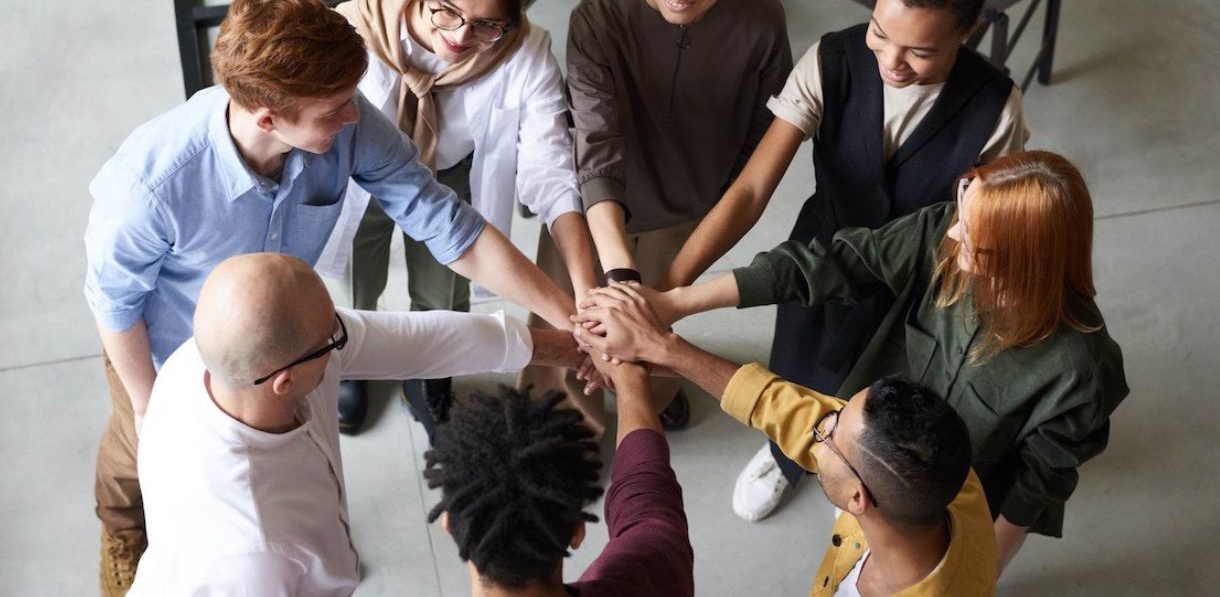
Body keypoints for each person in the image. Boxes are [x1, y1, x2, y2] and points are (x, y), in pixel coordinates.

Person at [83, 0, 576, 594]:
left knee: (290, 480)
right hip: (163, 350)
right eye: (335, 110)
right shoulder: (151, 184)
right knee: (135, 468)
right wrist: (148, 408)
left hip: (289, 336)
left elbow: (445, 223)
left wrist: (567, 318)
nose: (354, 117)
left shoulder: (341, 116)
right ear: (268, 117)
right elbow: (113, 303)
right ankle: (123, 535)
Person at [657, 0, 1029, 521]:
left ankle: (860, 470)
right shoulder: (831, 60)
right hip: (819, 256)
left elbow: (987, 228)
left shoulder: (996, 107)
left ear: (966, 32)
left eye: (921, 50)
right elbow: (749, 191)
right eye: (881, 34)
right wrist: (669, 292)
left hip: (918, 280)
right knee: (800, 364)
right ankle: (785, 453)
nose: (891, 61)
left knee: (888, 395)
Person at [580, 151, 1129, 575]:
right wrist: (674, 304)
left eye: (977, 244)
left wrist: (978, 570)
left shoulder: (1081, 370)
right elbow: (831, 264)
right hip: (861, 447)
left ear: (1028, 262)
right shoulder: (946, 231)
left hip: (944, 507)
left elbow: (1036, 487)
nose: (954, 233)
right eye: (963, 209)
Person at [519, 0, 793, 439]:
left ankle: (658, 393)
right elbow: (595, 145)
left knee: (659, 326)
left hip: (689, 207)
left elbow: (759, 137)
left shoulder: (762, 19)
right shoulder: (599, 12)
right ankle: (565, 427)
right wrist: (617, 275)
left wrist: (714, 202)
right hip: (597, 207)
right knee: (575, 319)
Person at [128, 253, 588, 595]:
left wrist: (571, 348)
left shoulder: (223, 356)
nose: (345, 336)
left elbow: (420, 343)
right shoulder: (251, 555)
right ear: (284, 381)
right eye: (333, 335)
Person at [318, 0, 597, 437]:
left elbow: (550, 168)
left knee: (445, 291)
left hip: (452, 174)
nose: (461, 37)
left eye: (487, 24)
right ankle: (354, 354)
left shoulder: (524, 52)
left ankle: (430, 372)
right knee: (359, 275)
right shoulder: (356, 25)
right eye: (446, 12)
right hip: (362, 175)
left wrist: (584, 293)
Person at [572, 286, 997, 595]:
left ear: (857, 499)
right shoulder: (948, 481)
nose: (819, 425)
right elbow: (793, 409)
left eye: (829, 434)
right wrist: (667, 351)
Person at [425, 361, 693, 595]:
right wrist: (629, 378)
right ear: (577, 532)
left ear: (448, 524)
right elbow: (647, 496)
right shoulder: (654, 568)